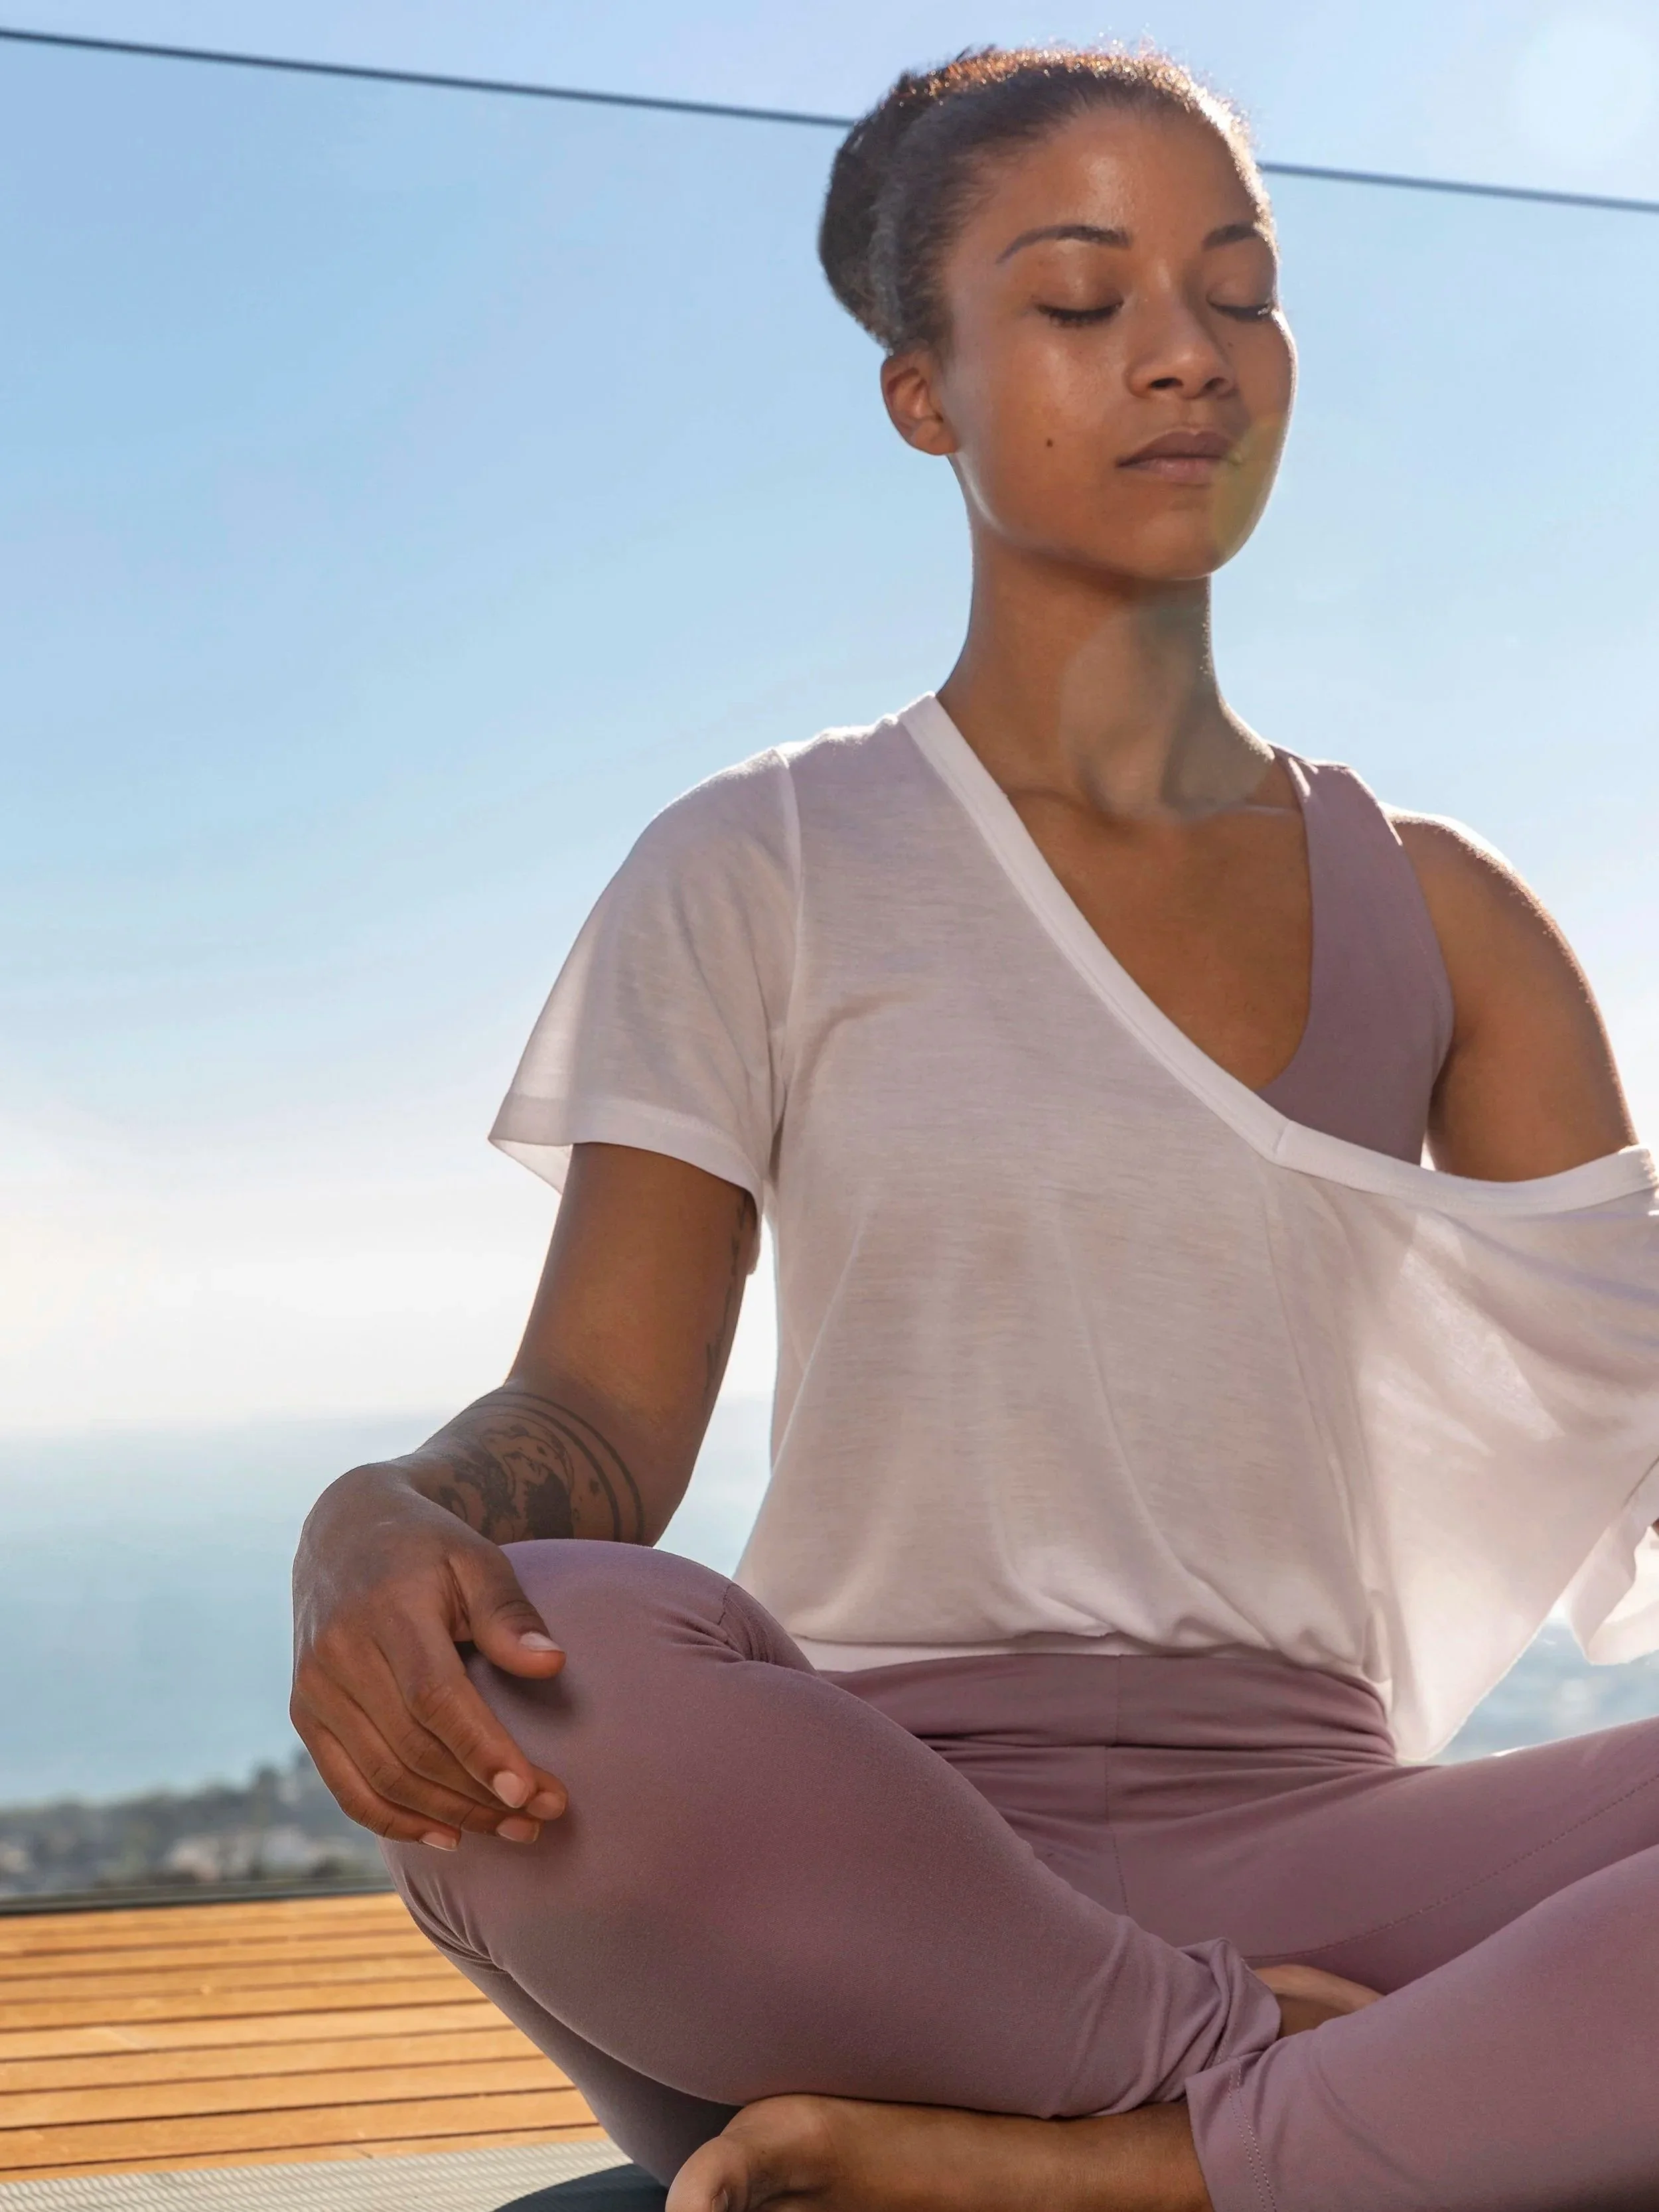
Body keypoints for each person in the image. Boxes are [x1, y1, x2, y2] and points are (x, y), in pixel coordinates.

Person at [291, 46, 1659, 2212]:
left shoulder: (1447, 916)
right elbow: (590, 1433)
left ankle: (1120, 2166)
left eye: (1237, 285)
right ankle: (1287, 2090)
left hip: (1326, 1833)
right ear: (922, 393)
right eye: (1080, 299)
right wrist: (377, 1525)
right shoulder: (762, 859)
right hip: (866, 1867)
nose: (1186, 356)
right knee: (563, 1672)